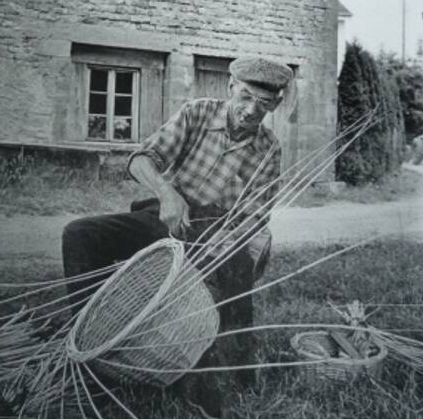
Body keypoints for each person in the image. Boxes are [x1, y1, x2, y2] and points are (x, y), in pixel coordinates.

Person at [62, 55, 294, 400]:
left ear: (274, 105)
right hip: (165, 216)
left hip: (215, 232)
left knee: (238, 269)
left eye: (262, 104)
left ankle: (234, 373)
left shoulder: (269, 148)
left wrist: (213, 249)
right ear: (230, 88)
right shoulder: (197, 112)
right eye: (244, 96)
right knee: (80, 234)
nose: (249, 110)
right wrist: (167, 193)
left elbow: (255, 216)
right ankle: (93, 341)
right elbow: (142, 158)